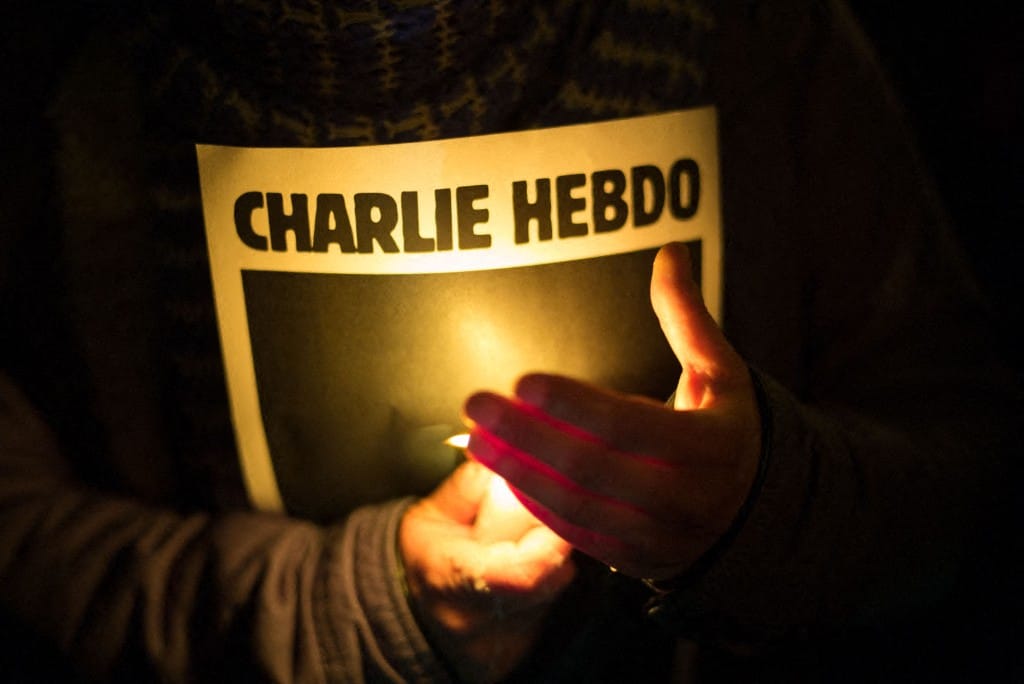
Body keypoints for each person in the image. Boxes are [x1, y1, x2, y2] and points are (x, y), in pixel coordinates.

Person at [1, 1, 1019, 683]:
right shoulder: (57, 73)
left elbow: (970, 467)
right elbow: (22, 548)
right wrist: (362, 610)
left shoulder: (760, 34)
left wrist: (761, 509)